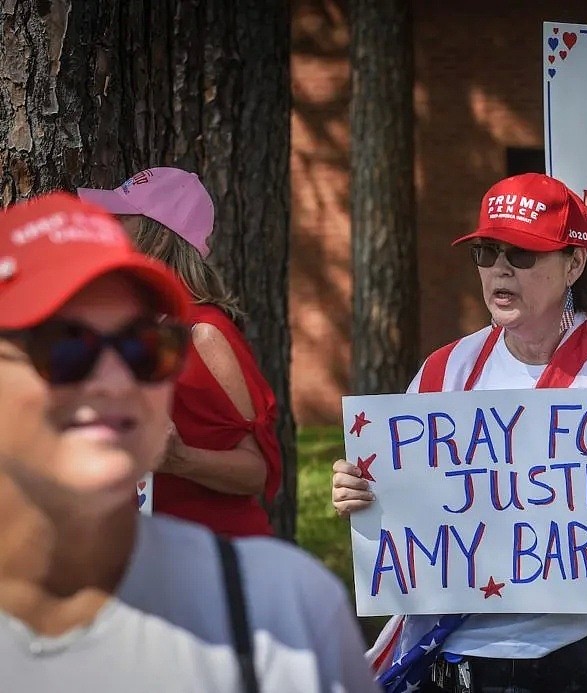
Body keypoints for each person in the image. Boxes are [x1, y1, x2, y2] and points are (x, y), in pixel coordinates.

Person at [332, 173, 587, 693]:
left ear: (573, 264)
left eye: (521, 254)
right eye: (487, 252)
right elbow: (407, 522)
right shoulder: (442, 372)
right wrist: (362, 494)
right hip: (464, 663)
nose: (499, 269)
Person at [0, 192, 377, 691]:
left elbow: (260, 468)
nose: (115, 381)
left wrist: (180, 459)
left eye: (144, 348)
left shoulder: (285, 609)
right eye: (63, 346)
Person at [78, 168, 280, 537]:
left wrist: (179, 460)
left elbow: (256, 471)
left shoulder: (205, 334)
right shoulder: (123, 327)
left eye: (121, 218)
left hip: (211, 558)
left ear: (157, 238)